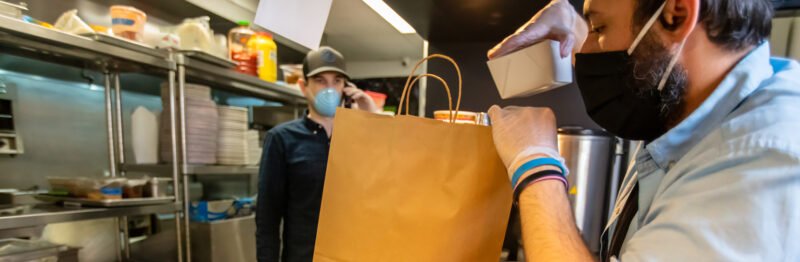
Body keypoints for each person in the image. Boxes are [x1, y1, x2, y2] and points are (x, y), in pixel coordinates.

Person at [487, 0, 800, 261]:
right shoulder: (686, 103)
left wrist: (536, 167)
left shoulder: (758, 163)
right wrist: (578, 25)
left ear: (676, 15)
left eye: (599, 29)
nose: (586, 50)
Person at [256, 46, 380, 262]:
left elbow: (385, 184)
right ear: (304, 87)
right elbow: (268, 217)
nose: (330, 89)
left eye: (337, 81)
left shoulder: (359, 138)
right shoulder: (282, 139)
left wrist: (372, 118)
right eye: (321, 81)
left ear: (346, 88)